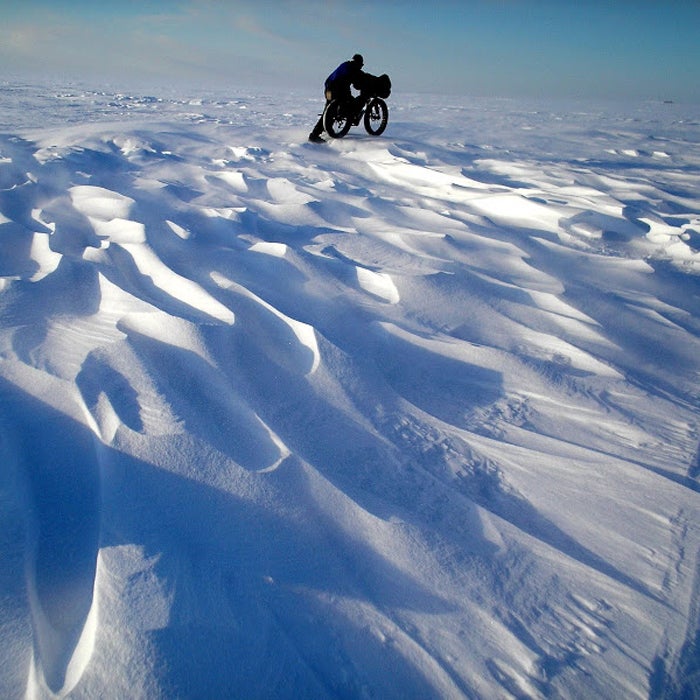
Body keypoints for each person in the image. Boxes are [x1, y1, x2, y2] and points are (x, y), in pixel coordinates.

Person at [309, 54, 366, 143]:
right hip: (337, 89)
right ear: (359, 63)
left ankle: (321, 130)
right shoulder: (352, 69)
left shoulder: (345, 65)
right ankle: (314, 135)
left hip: (328, 89)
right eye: (361, 65)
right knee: (345, 105)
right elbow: (357, 83)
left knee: (328, 111)